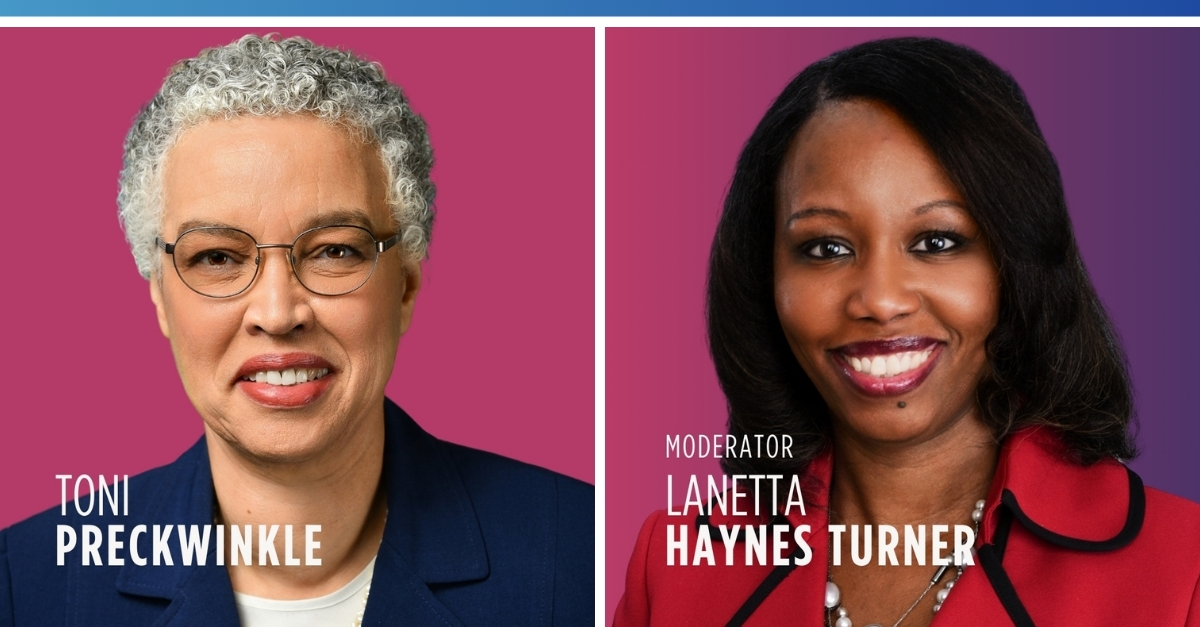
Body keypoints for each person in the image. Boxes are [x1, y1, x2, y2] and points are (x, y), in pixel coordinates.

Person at [0, 35, 592, 627]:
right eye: (217, 258)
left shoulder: (584, 556)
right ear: (160, 295)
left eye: (334, 250)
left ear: (406, 285)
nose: (278, 313)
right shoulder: (24, 588)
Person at [614, 36, 1200, 627]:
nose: (880, 300)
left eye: (936, 242)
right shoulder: (675, 568)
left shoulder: (1183, 572)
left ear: (1014, 266)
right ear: (765, 279)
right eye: (825, 247)